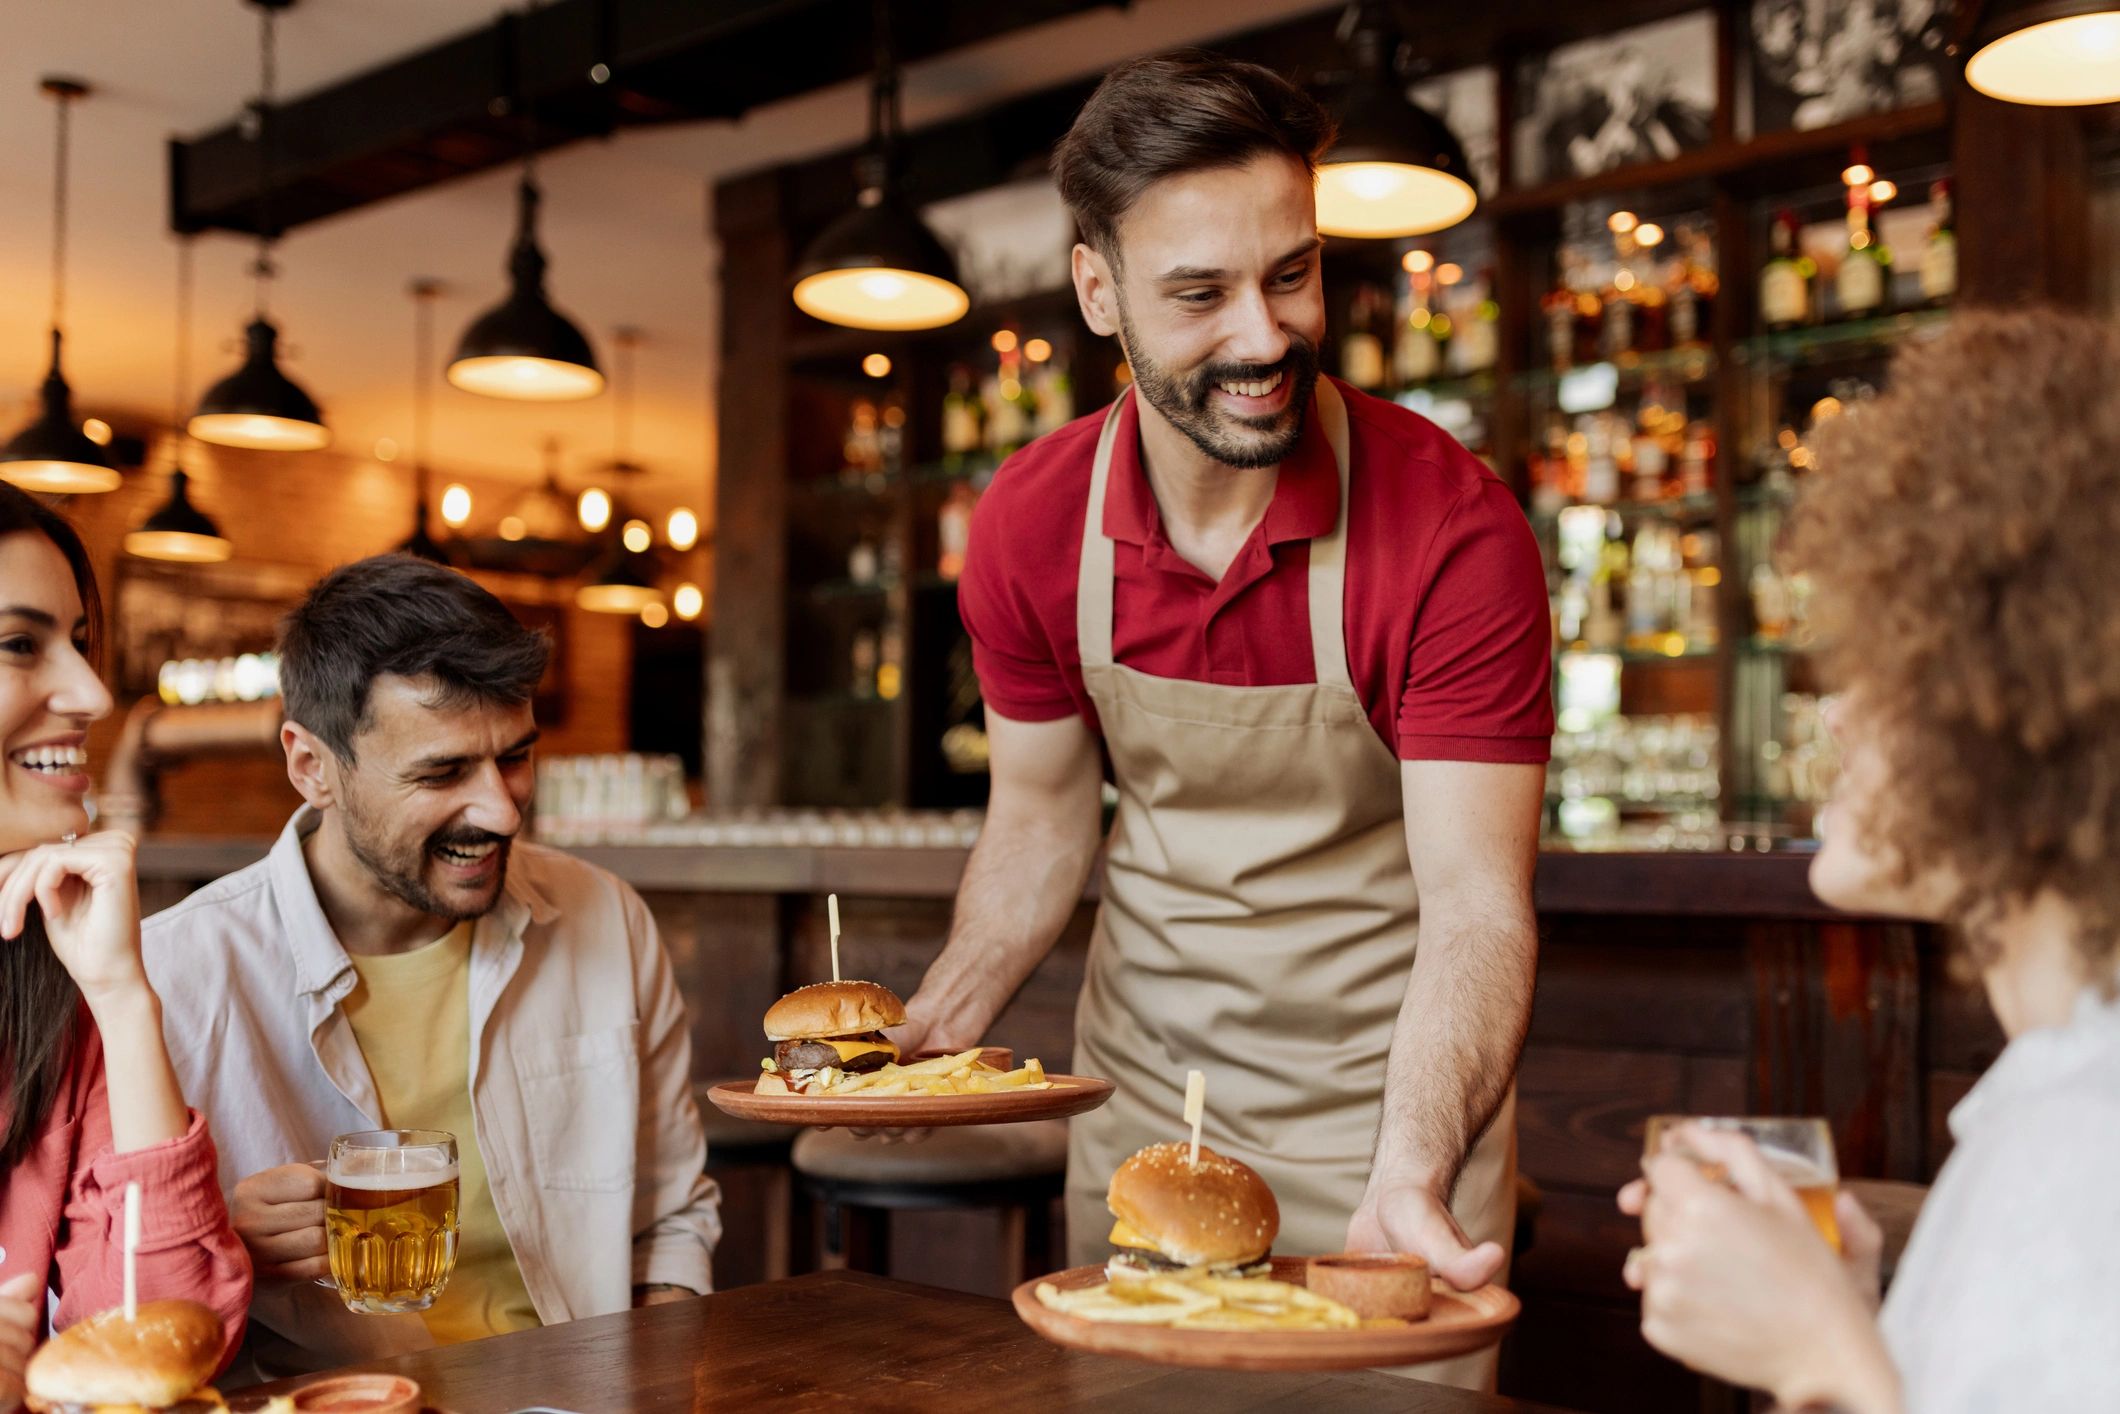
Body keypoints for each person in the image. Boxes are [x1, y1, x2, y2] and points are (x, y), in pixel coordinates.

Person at [892, 52, 1551, 1389]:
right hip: (1154, 1121)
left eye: (1291, 273)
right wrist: (916, 1044)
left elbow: (1478, 905)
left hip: (1393, 1118)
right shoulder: (1029, 525)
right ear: (1099, 293)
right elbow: (1035, 824)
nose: (1263, 336)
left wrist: (1410, 1171)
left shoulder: (1451, 530)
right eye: (1199, 294)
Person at [1620, 311, 2120, 1412]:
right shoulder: (2053, 1093)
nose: (1835, 715)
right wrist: (1859, 1323)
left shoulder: (2084, 1145)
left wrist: (1821, 1357)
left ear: (2023, 706)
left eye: (1888, 665)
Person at [141, 554, 719, 1381]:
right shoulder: (176, 975)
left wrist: (658, 1383)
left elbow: (671, 1216)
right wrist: (217, 1246)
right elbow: (97, 1300)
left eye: (515, 757)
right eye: (442, 772)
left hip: (581, 1388)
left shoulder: (607, 917)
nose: (502, 808)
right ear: (312, 767)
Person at [0, 485, 250, 1409]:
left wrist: (121, 998)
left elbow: (165, 1338)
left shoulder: (53, 982)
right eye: (19, 643)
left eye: (79, 642)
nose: (95, 695)